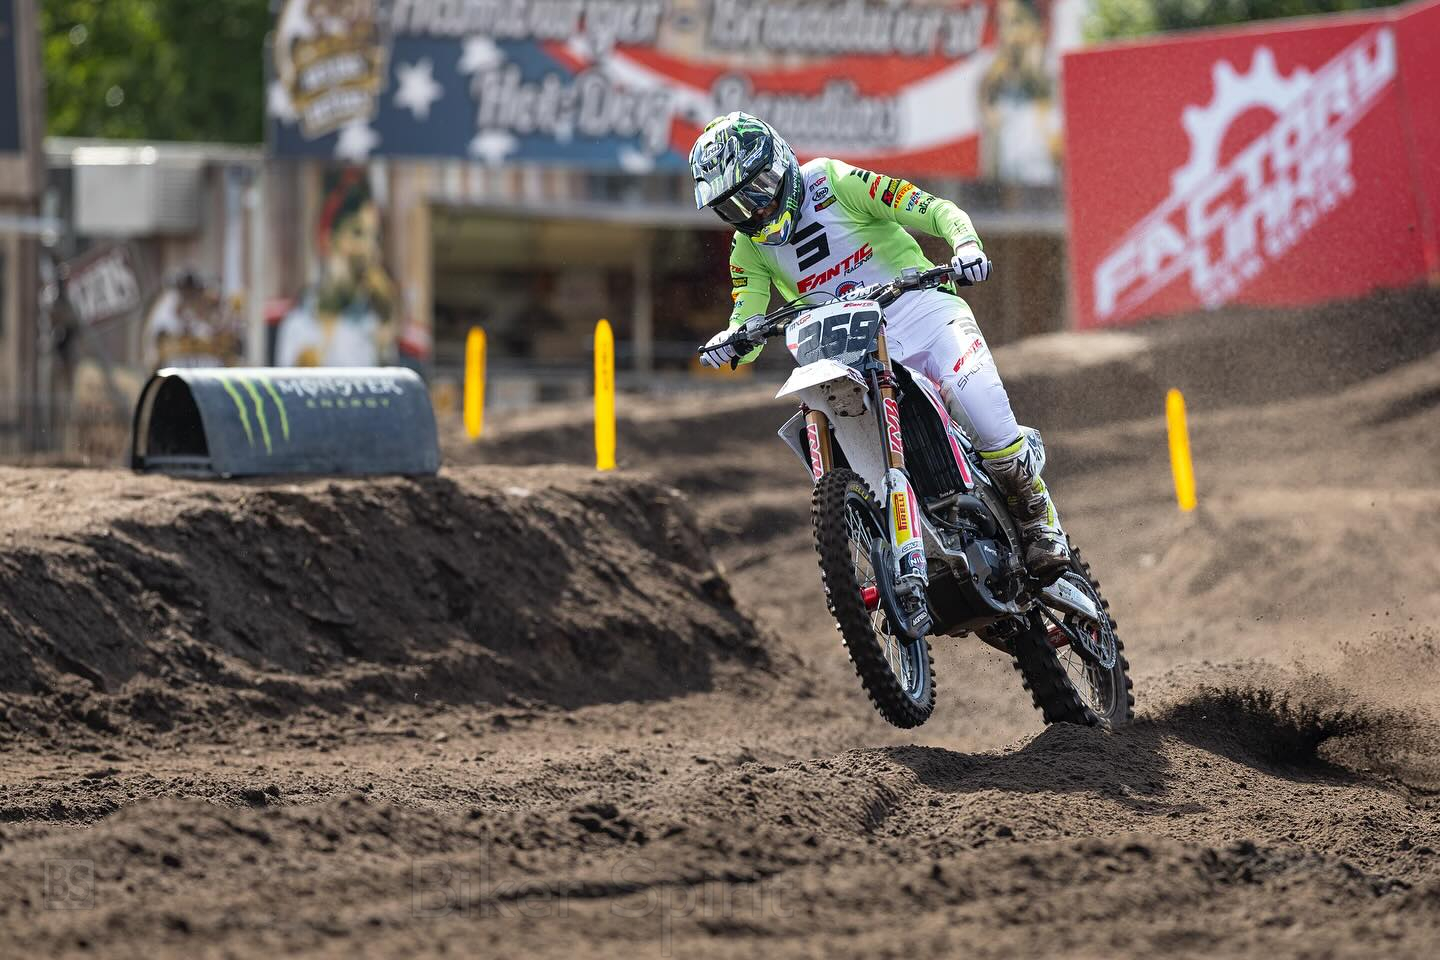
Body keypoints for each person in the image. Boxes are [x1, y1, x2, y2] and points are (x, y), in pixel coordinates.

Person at [692, 112, 1069, 583]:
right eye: (733, 207)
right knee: (841, 428)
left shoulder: (833, 181)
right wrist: (731, 342)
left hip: (922, 311)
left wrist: (966, 246)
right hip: (850, 347)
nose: (755, 211)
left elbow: (934, 209)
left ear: (780, 161)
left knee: (980, 407)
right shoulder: (747, 248)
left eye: (758, 189)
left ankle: (1037, 518)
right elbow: (747, 323)